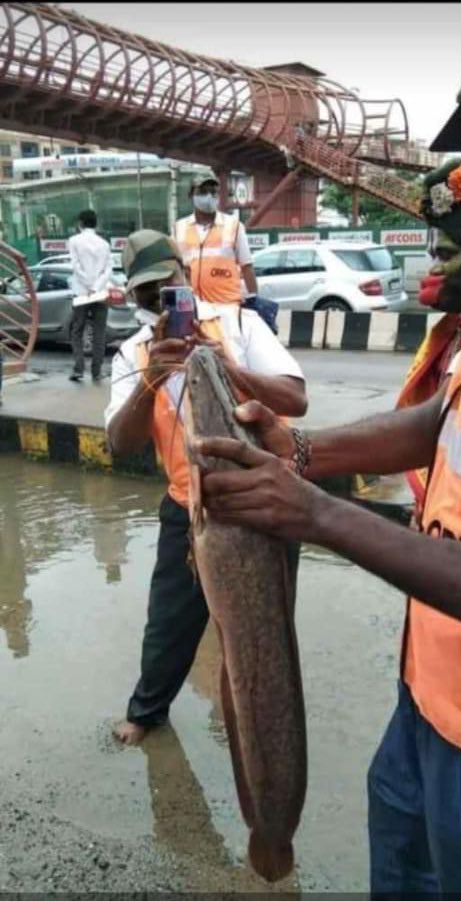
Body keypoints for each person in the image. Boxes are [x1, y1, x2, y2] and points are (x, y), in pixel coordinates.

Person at [196, 4, 461, 892]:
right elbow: (442, 421)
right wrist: (303, 455)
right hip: (433, 701)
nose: (460, 167)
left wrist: (313, 515)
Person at [106, 229, 307, 745]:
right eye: (146, 294)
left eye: (165, 286)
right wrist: (152, 376)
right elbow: (119, 443)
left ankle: (260, 721)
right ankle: (147, 711)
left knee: (266, 624)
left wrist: (227, 368)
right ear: (134, 297)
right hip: (189, 510)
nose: (158, 301)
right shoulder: (132, 353)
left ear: (184, 274)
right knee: (169, 621)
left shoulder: (240, 322)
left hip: (264, 500)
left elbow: (294, 396)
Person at [396, 158, 461, 511]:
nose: (435, 269)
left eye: (447, 255)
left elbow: (424, 431)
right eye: (434, 255)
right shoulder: (452, 333)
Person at [174, 171, 258, 305]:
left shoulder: (234, 226)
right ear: (191, 195)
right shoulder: (179, 228)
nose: (208, 196)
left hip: (227, 307)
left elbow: (247, 266)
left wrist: (254, 299)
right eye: (202, 192)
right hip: (192, 308)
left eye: (213, 192)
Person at [67, 209, 112, 383]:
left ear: (80, 223)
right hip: (100, 292)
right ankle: (97, 371)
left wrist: (87, 285)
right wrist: (96, 286)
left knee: (77, 330)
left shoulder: (74, 241)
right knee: (99, 332)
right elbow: (108, 269)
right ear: (96, 223)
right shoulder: (104, 244)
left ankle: (78, 369)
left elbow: (75, 266)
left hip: (81, 292)